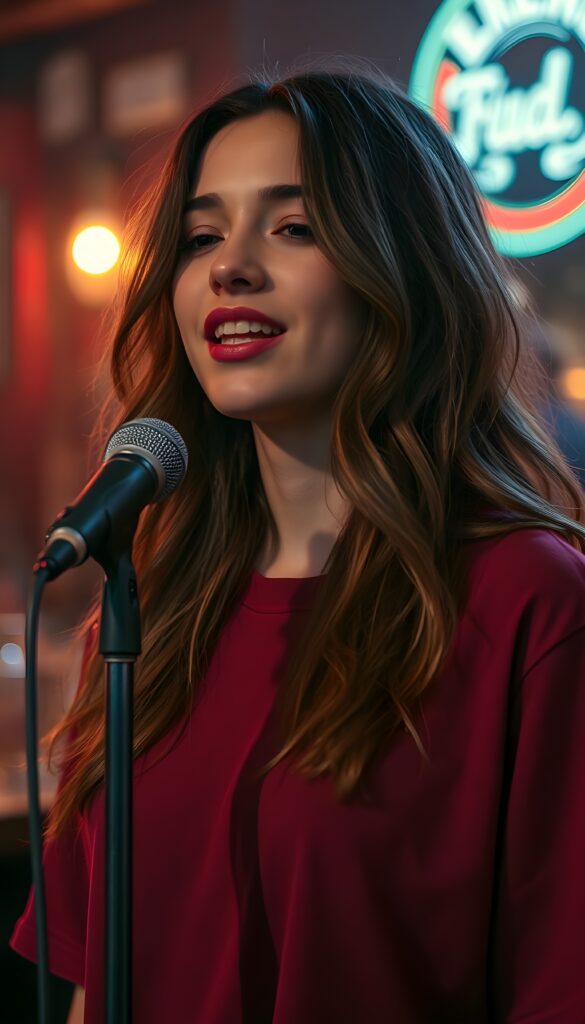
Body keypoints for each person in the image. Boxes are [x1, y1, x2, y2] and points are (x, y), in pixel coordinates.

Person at [10, 56, 585, 1023]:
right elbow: (91, 988)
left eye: (293, 227)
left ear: (401, 270)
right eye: (201, 236)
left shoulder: (526, 601)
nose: (231, 265)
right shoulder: (150, 605)